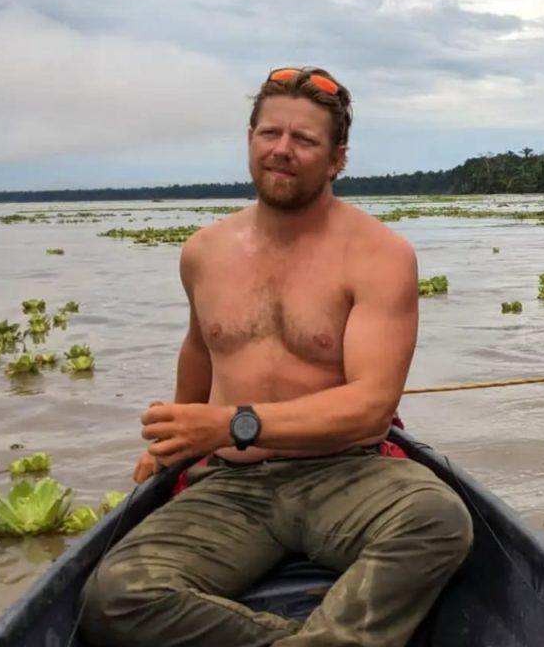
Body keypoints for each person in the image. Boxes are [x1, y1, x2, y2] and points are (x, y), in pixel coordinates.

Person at [80, 67, 473, 647]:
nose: (282, 151)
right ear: (250, 139)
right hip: (233, 486)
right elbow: (200, 351)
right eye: (270, 134)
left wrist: (231, 423)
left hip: (345, 470)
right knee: (114, 595)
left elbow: (370, 408)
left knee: (439, 522)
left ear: (337, 159)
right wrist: (169, 444)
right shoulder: (203, 253)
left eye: (305, 141)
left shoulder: (380, 255)